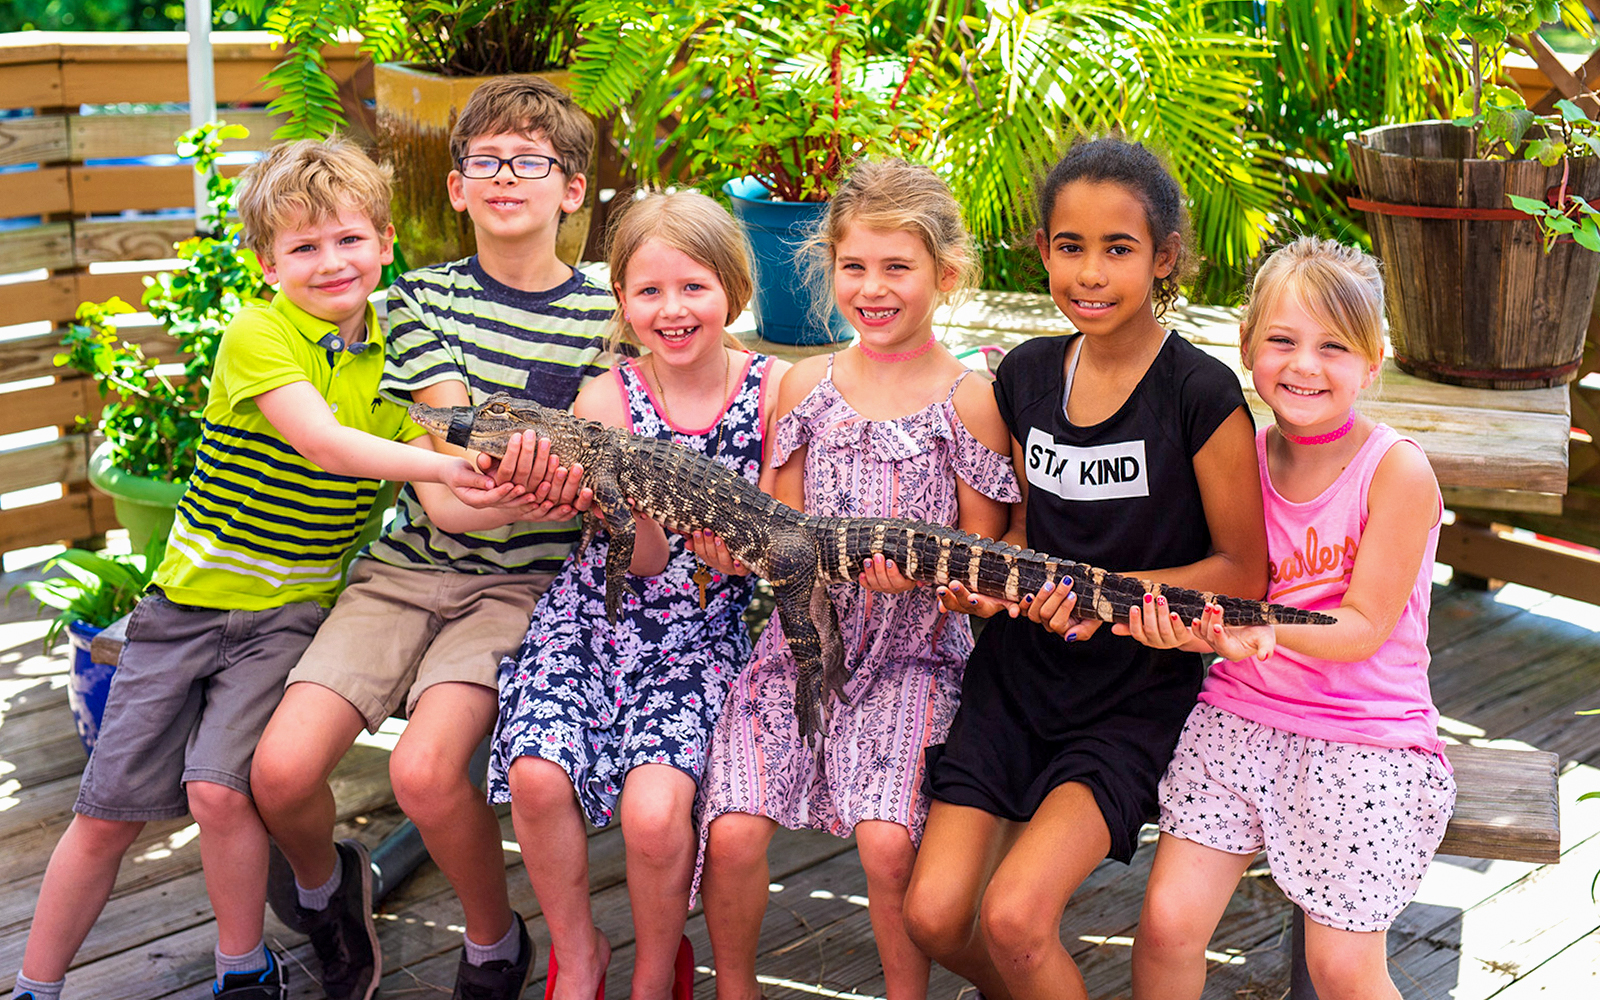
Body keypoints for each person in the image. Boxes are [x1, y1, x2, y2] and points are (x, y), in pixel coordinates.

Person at [9, 138, 509, 1000]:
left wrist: (510, 486)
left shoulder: (409, 356)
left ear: (386, 243)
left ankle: (245, 972)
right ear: (264, 260)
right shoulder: (257, 332)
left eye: (349, 239)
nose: (331, 262)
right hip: (184, 610)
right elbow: (325, 443)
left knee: (219, 794)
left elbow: (445, 493)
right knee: (102, 816)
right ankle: (35, 985)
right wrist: (443, 462)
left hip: (290, 617)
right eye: (304, 246)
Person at [249, 76, 615, 1000]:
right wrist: (553, 482)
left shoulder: (611, 316)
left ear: (572, 189)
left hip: (522, 590)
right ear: (456, 188)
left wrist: (555, 486)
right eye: (484, 161)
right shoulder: (417, 301)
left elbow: (601, 480)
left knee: (422, 771)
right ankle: (333, 897)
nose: (504, 177)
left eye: (530, 161)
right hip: (406, 569)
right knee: (280, 773)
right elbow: (451, 490)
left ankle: (493, 942)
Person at [900, 137, 1270, 1000]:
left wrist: (1113, 604)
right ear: (1042, 251)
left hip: (1133, 692)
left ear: (1164, 257)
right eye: (1071, 247)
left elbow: (1245, 572)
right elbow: (1021, 536)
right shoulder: (1023, 377)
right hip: (1017, 681)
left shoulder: (1200, 394)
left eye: (1118, 249)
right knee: (936, 916)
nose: (1091, 273)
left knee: (1016, 918)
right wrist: (980, 589)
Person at [695, 159, 1019, 1000]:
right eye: (854, 266)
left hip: (917, 654)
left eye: (896, 268)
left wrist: (922, 584)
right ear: (828, 268)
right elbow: (777, 535)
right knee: (730, 831)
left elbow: (985, 569)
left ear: (946, 276)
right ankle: (735, 990)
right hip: (800, 648)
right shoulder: (803, 386)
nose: (872, 288)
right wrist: (720, 547)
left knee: (885, 842)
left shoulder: (969, 400)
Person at [1128, 236, 1455, 1000]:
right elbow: (1216, 594)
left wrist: (1266, 630)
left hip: (1365, 736)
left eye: (1333, 347)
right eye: (1282, 340)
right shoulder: (1240, 456)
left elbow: (1366, 625)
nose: (1305, 364)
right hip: (1241, 715)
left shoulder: (1396, 470)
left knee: (1340, 968)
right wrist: (1184, 628)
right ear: (1247, 350)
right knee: (1168, 926)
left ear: (1373, 362)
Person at [487, 189, 790, 1000]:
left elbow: (762, 552)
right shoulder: (605, 400)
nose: (673, 308)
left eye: (694, 286)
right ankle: (576, 951)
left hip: (704, 625)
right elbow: (639, 557)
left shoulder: (773, 391)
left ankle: (657, 971)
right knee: (538, 774)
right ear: (622, 301)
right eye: (649, 291)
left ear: (734, 288)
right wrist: (632, 504)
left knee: (656, 815)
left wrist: (732, 554)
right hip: (599, 609)